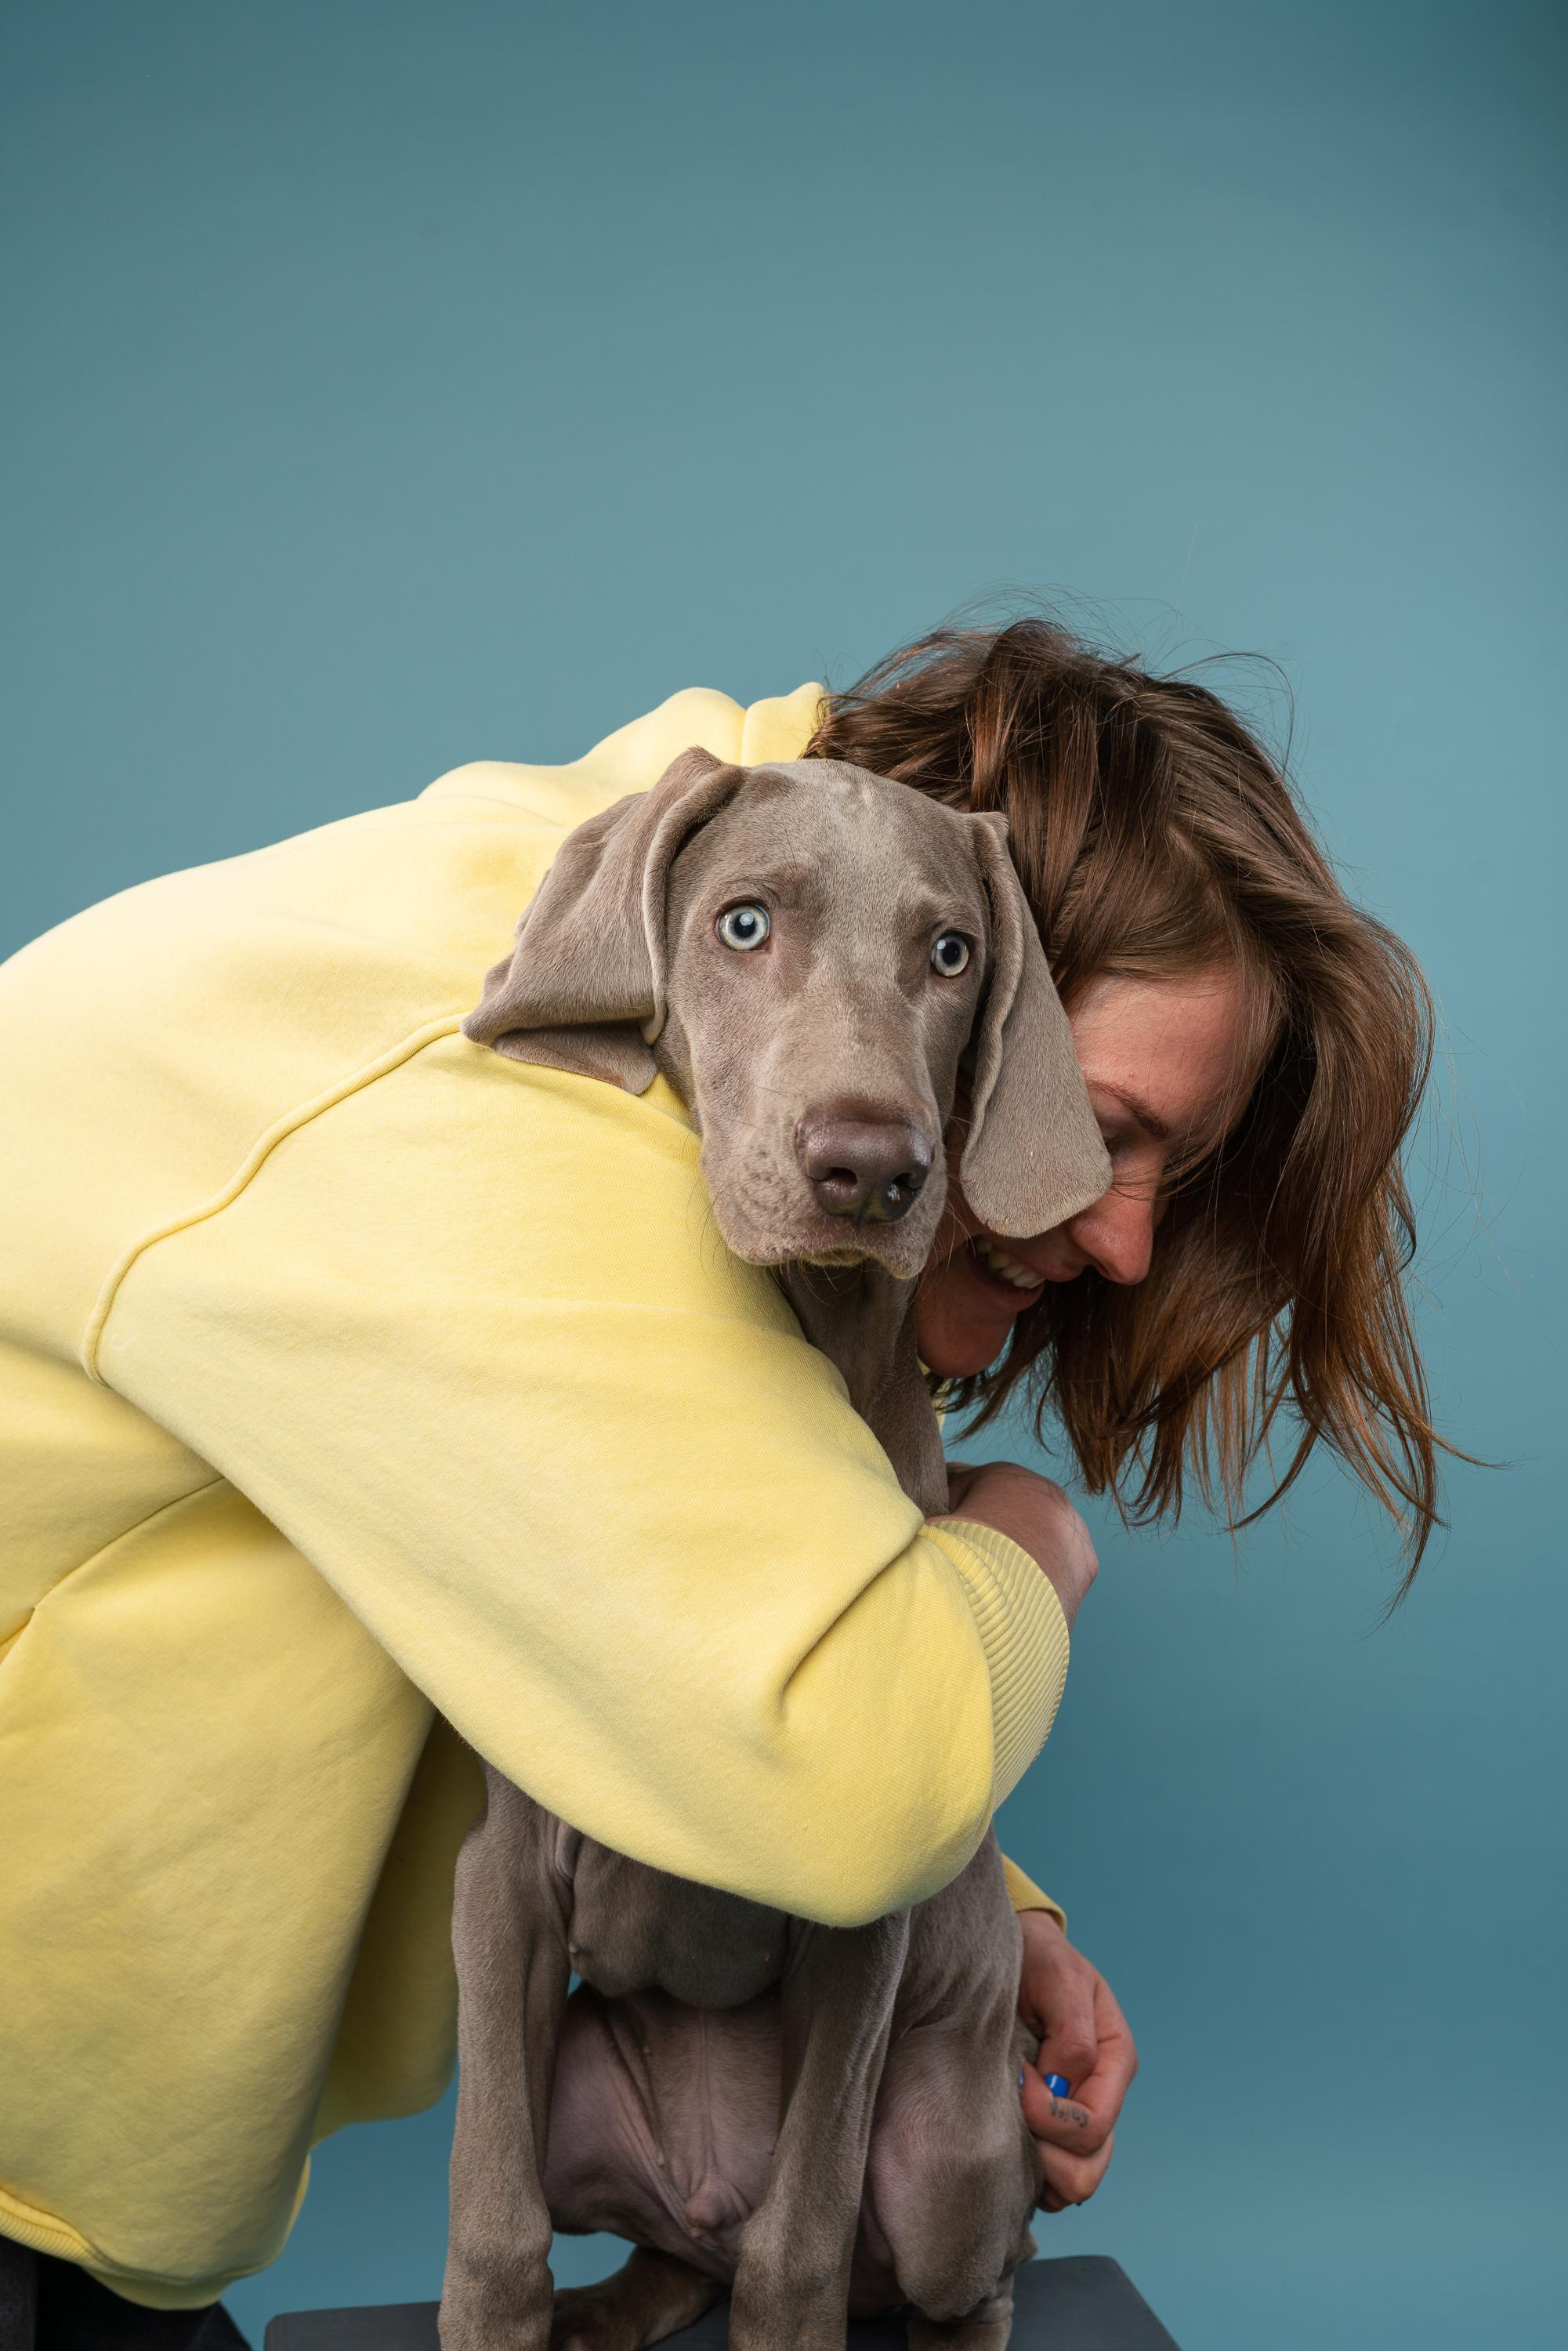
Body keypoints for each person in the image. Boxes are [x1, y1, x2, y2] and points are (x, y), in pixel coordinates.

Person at [0, 614, 1441, 2346]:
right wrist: (1032, 1541)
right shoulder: (519, 1108)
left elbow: (672, 1590)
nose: (1126, 1239)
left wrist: (988, 1915)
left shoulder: (675, 948)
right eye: (1107, 1128)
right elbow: (844, 1775)